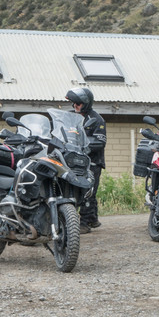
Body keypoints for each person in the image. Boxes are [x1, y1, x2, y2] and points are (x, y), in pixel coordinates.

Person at [66, 88, 107, 234]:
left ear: (86, 103)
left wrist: (82, 144)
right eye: (73, 103)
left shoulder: (96, 119)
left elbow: (100, 141)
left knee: (88, 191)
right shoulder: (70, 117)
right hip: (73, 160)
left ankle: (84, 223)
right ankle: (93, 218)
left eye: (78, 103)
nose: (75, 106)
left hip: (92, 162)